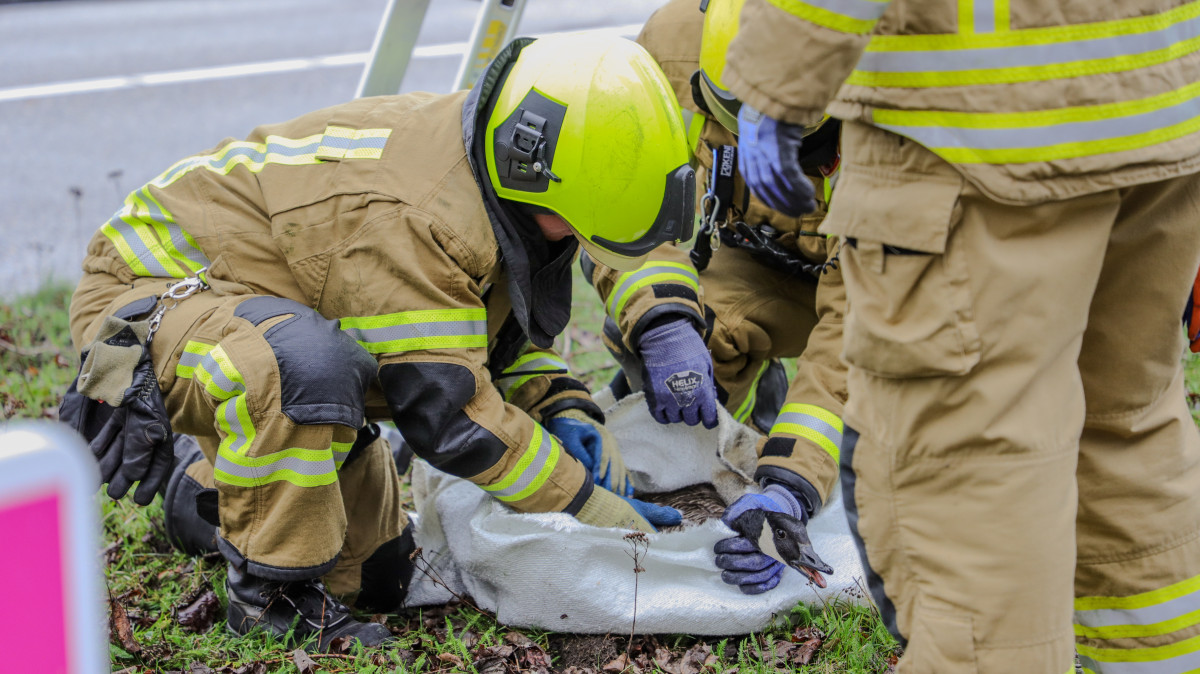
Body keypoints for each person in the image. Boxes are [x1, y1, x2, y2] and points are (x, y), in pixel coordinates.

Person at [61, 33, 691, 651]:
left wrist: (562, 406)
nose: (578, 239)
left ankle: (196, 486)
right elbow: (450, 413)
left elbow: (485, 336)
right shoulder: (418, 216)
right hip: (150, 297)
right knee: (300, 368)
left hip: (271, 310)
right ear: (532, 171)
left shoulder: (504, 175)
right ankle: (271, 604)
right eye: (576, 225)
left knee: (377, 576)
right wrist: (587, 504)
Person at [721, 0, 1200, 671]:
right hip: (1160, 107)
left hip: (973, 128)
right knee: (1124, 430)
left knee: (972, 470)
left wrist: (778, 79)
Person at [581, 0, 847, 594]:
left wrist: (793, 486)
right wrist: (665, 321)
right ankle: (726, 412)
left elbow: (859, 337)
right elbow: (619, 207)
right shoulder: (673, 44)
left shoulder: (901, 105)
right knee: (701, 332)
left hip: (884, 281)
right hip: (759, 252)